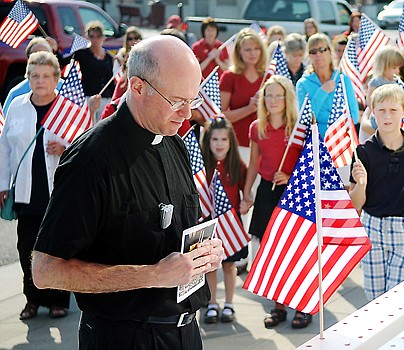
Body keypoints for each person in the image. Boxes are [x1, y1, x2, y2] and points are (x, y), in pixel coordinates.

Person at [30, 36, 224, 349]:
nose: (187, 114)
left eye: (193, 100)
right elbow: (46, 271)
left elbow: (174, 233)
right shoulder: (91, 159)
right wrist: (153, 276)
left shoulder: (174, 140)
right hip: (124, 337)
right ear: (137, 87)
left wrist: (202, 254)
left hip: (185, 332)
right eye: (177, 102)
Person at [0, 51, 70, 320]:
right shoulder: (17, 105)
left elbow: (85, 144)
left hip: (58, 193)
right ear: (28, 77)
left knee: (56, 248)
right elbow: (5, 148)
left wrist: (65, 148)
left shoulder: (66, 108)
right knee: (26, 248)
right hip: (26, 191)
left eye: (45, 76)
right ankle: (32, 299)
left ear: (56, 78)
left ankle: (58, 299)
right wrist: (3, 184)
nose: (40, 81)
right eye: (35, 75)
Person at [349, 84, 404, 301]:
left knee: (397, 297)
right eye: (381, 110)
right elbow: (356, 203)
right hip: (372, 227)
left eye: (393, 110)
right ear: (373, 112)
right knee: (375, 298)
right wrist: (361, 184)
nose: (387, 116)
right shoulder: (363, 152)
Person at [241, 76, 305, 328]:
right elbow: (254, 163)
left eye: (279, 95)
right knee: (272, 251)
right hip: (268, 191)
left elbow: (309, 164)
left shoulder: (298, 127)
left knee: (295, 250)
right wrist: (247, 193)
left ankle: (302, 306)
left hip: (294, 191)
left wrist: (291, 176)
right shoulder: (257, 127)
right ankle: (278, 306)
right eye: (269, 95)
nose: (273, 100)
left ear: (288, 98)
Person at [200, 117, 247, 324]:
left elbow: (247, 193)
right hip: (209, 223)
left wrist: (247, 202)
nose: (219, 144)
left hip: (230, 224)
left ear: (231, 142)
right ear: (208, 141)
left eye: (224, 140)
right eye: (215, 139)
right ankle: (212, 302)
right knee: (210, 266)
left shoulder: (237, 165)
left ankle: (229, 303)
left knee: (229, 265)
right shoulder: (202, 166)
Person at [296, 33, 359, 137]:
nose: (318, 55)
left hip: (341, 140)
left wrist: (321, 118)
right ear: (309, 56)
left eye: (322, 49)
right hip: (316, 142)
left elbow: (354, 116)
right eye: (313, 51)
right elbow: (305, 120)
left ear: (330, 51)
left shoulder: (343, 79)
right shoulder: (303, 84)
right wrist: (322, 92)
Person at [220, 28, 267, 161]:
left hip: (263, 145)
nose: (253, 53)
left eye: (256, 48)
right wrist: (249, 109)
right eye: (248, 49)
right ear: (239, 51)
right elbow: (221, 116)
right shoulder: (229, 77)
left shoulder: (269, 76)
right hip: (236, 145)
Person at [60, 21, 114, 122]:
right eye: (92, 36)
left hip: (105, 98)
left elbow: (110, 79)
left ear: (103, 37)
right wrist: (54, 49)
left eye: (98, 36)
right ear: (88, 36)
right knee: (87, 126)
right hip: (87, 97)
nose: (95, 39)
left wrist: (113, 99)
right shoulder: (82, 53)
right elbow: (62, 61)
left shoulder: (108, 57)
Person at [3, 37, 63, 113]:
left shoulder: (66, 89)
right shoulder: (16, 94)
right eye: (35, 56)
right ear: (28, 60)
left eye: (45, 56)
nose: (41, 61)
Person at [359, 46, 404, 141]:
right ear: (384, 66)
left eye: (398, 68)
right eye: (394, 68)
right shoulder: (376, 81)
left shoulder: (396, 82)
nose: (397, 71)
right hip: (378, 116)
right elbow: (369, 101)